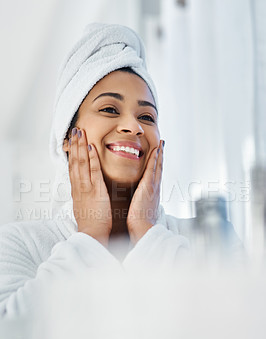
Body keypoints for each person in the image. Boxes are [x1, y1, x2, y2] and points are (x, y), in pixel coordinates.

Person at [0, 23, 242, 318]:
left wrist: (147, 231)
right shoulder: (18, 244)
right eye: (110, 110)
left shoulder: (210, 238)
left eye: (146, 116)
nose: (134, 126)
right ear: (67, 136)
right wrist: (90, 236)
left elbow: (237, 337)